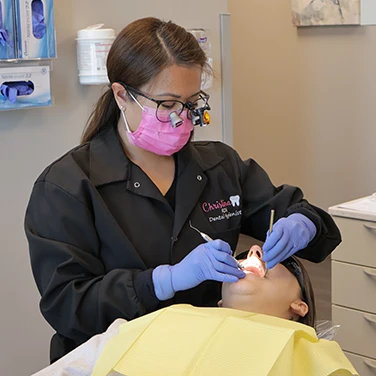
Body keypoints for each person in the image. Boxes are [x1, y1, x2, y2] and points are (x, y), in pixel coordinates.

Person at [24, 16, 341, 363]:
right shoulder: (66, 187)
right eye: (167, 104)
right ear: (121, 96)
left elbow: (309, 219)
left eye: (191, 103)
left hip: (210, 356)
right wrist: (164, 281)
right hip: (117, 363)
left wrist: (304, 222)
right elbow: (69, 305)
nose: (182, 119)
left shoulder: (220, 166)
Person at [31, 247, 357, 376]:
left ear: (299, 306)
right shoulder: (160, 320)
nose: (255, 252)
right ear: (220, 303)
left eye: (277, 258)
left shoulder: (313, 352)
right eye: (242, 256)